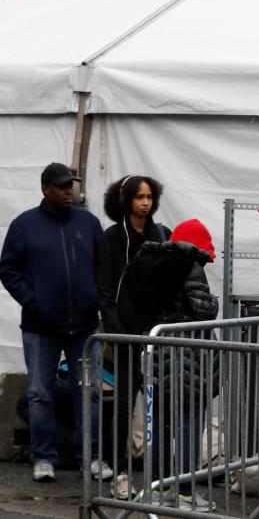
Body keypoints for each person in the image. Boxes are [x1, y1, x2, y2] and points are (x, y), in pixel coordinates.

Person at [0, 163, 112, 483]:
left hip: (85, 326)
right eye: (62, 186)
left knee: (88, 392)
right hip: (40, 328)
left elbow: (103, 268)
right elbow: (8, 270)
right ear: (45, 189)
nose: (69, 191)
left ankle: (89, 457)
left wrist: (96, 301)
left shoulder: (88, 223)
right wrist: (34, 302)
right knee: (39, 393)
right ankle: (44, 458)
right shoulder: (24, 225)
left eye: (71, 186)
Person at [123, 218, 219, 512]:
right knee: (190, 423)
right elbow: (205, 309)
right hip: (188, 359)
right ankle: (188, 492)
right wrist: (212, 299)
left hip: (156, 356)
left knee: (160, 425)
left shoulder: (152, 264)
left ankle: (158, 487)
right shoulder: (190, 266)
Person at [96, 175, 169, 499]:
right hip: (126, 336)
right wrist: (116, 332)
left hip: (156, 335)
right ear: (125, 200)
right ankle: (121, 471)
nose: (145, 203)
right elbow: (105, 290)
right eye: (139, 197)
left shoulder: (161, 235)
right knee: (124, 406)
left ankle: (161, 477)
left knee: (160, 405)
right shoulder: (112, 238)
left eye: (150, 196)